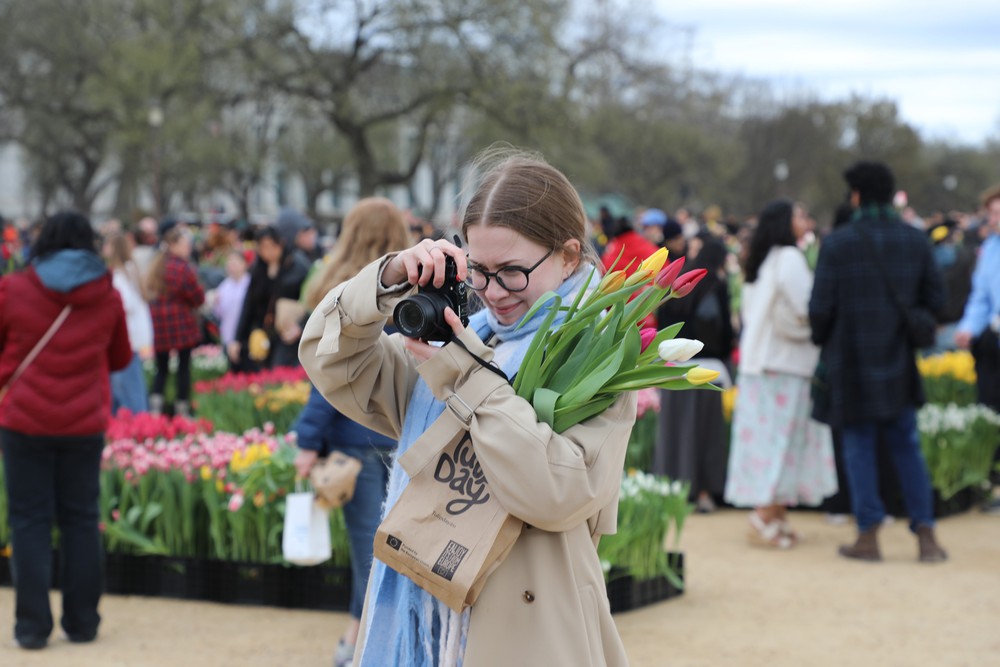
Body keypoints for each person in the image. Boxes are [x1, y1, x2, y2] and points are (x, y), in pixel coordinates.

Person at [299, 150, 638, 667]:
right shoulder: (461, 341)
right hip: (424, 622)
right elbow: (330, 357)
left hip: (532, 632)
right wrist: (388, 280)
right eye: (478, 270)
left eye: (512, 271)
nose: (493, 292)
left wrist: (465, 373)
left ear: (569, 255)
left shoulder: (599, 353)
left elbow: (560, 491)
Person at [0, 211, 132, 650]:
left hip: (25, 422)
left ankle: (32, 628)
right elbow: (119, 359)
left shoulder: (14, 288)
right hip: (83, 423)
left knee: (29, 522)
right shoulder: (107, 293)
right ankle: (83, 622)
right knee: (80, 520)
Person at [293, 197, 412, 667]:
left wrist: (307, 439)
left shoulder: (339, 288)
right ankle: (361, 641)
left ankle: (364, 647)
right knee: (392, 550)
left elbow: (325, 384)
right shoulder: (411, 284)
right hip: (401, 435)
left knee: (371, 552)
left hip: (352, 438)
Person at [809, 161, 948, 563]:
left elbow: (820, 309)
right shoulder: (915, 240)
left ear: (855, 196)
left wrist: (825, 339)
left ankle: (868, 535)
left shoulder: (838, 243)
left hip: (850, 359)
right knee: (907, 446)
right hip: (899, 358)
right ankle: (926, 534)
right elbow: (937, 301)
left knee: (859, 448)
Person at [724, 201, 837, 547]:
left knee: (767, 443)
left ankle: (777, 515)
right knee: (784, 443)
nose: (806, 220)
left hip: (760, 363)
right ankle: (763, 515)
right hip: (784, 364)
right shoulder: (789, 258)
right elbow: (808, 306)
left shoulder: (759, 261)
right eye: (800, 215)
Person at [653, 233, 734, 513]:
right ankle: (702, 492)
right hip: (706, 367)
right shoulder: (715, 285)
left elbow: (662, 322)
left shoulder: (680, 282)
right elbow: (719, 329)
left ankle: (670, 490)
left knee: (675, 432)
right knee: (704, 434)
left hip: (672, 366)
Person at [953, 183, 1000, 514]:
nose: (993, 218)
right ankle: (993, 482)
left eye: (998, 213)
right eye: (991, 213)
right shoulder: (990, 249)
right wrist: (968, 328)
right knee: (991, 408)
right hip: (993, 342)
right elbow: (980, 297)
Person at [231, 226, 311, 369]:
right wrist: (237, 338)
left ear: (280, 244)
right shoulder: (258, 269)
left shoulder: (298, 267)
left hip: (289, 332)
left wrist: (301, 327)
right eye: (262, 247)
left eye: (271, 246)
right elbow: (248, 304)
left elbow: (311, 302)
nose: (267, 252)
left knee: (281, 371)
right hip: (262, 332)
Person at [146, 226, 205, 417]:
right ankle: (182, 407)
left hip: (159, 325)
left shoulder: (156, 265)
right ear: (173, 245)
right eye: (184, 244)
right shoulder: (182, 267)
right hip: (180, 324)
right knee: (183, 367)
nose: (188, 248)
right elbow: (197, 297)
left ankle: (155, 407)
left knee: (161, 368)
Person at [103, 231, 154, 414]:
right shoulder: (132, 272)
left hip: (126, 338)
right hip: (136, 338)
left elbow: (123, 305)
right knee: (132, 384)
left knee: (126, 389)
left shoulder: (120, 277)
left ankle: (133, 426)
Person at [211, 250, 251, 372]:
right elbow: (218, 314)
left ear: (244, 264)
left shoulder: (250, 284)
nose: (231, 266)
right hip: (228, 336)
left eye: (235, 263)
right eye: (229, 263)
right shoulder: (224, 286)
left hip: (247, 337)